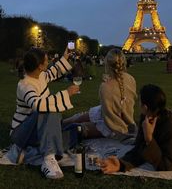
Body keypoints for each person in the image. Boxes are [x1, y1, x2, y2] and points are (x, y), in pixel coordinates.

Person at [99, 69, 172, 173]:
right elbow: (139, 148)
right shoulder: (148, 117)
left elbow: (167, 166)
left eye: (139, 101)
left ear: (145, 107)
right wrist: (121, 164)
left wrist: (149, 139)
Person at [10, 47, 80, 179]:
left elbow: (52, 73)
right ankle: (48, 158)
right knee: (49, 109)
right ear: (40, 66)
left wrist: (65, 57)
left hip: (38, 129)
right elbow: (38, 105)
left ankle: (32, 150)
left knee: (76, 131)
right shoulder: (25, 85)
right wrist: (67, 93)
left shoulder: (40, 75)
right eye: (46, 61)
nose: (49, 63)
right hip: (21, 132)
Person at [63, 48, 137, 140]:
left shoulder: (105, 86)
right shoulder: (131, 79)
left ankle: (56, 127)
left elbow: (109, 117)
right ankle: (59, 125)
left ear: (107, 64)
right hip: (116, 117)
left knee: (77, 125)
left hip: (112, 125)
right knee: (78, 119)